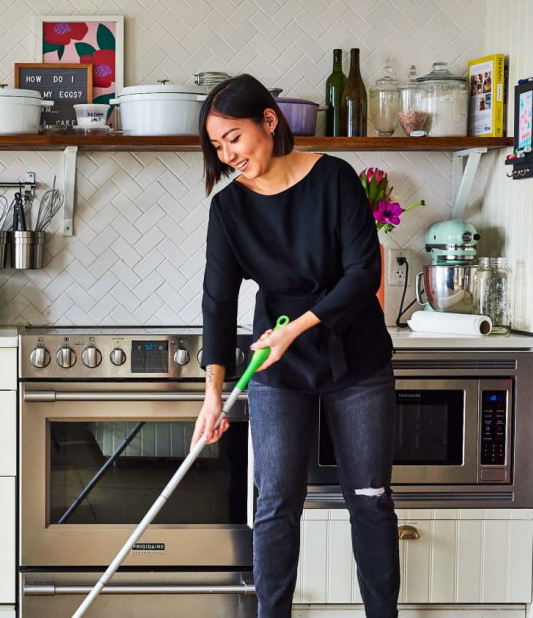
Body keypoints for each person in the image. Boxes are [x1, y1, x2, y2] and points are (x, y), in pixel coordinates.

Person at [190, 74, 399, 618]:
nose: (228, 153)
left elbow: (361, 274)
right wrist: (213, 393)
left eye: (233, 137)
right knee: (277, 503)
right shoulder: (229, 209)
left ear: (268, 120)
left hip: (355, 355)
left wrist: (296, 327)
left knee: (371, 499)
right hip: (277, 365)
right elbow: (217, 303)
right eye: (217, 145)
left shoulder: (334, 178)